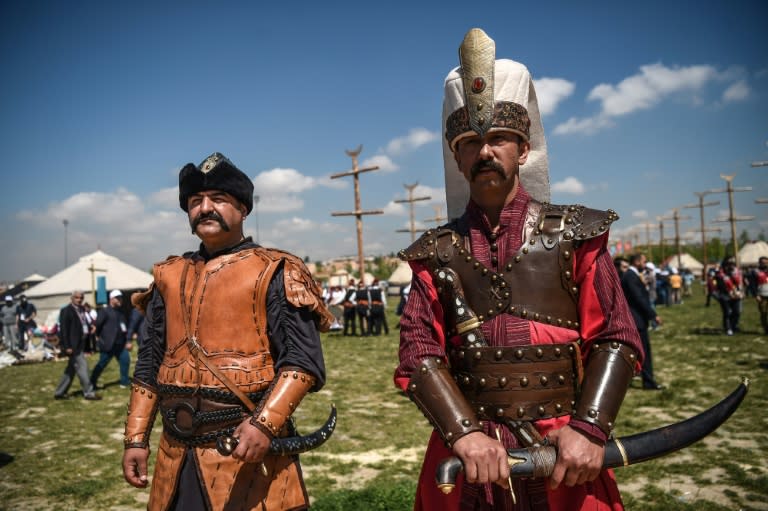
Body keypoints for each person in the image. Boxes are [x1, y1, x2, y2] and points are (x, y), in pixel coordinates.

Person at [395, 28, 644, 510]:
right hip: (467, 456)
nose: (485, 152)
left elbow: (616, 335)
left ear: (523, 150)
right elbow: (418, 352)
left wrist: (589, 428)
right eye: (471, 141)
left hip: (564, 451)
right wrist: (465, 435)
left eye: (499, 139)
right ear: (457, 156)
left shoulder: (576, 234)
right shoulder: (435, 252)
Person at [122, 152, 333, 510]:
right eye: (195, 202)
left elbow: (302, 363)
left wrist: (264, 425)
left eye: (218, 199)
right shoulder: (167, 276)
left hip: (246, 449)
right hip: (175, 453)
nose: (205, 208)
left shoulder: (277, 269)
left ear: (243, 209)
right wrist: (136, 438)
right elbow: (149, 365)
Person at [621, 253, 664, 390]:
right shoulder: (631, 276)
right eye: (643, 261)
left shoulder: (631, 275)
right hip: (637, 319)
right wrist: (653, 315)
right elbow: (639, 298)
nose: (645, 265)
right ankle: (649, 382)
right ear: (637, 262)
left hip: (636, 319)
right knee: (644, 352)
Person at [53, 290, 101, 400]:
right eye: (77, 297)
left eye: (81, 298)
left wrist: (90, 327)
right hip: (73, 346)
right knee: (83, 367)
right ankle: (89, 393)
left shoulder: (82, 309)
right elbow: (64, 330)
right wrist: (67, 346)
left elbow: (82, 323)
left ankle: (59, 392)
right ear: (72, 298)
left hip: (81, 343)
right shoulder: (66, 311)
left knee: (71, 370)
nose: (79, 300)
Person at [90, 289, 131, 389]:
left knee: (125, 360)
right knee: (102, 364)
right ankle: (91, 383)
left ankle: (124, 381)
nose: (120, 300)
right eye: (118, 298)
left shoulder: (121, 313)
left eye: (120, 298)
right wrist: (99, 338)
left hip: (120, 344)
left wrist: (127, 341)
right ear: (111, 299)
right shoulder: (104, 311)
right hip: (108, 344)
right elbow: (97, 326)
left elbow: (124, 327)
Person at [714, 255, 743, 335]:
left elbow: (740, 282)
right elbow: (718, 285)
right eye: (729, 263)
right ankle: (728, 328)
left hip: (737, 294)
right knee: (728, 312)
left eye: (733, 262)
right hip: (725, 295)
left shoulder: (737, 271)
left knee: (737, 312)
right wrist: (728, 293)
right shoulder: (720, 273)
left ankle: (734, 326)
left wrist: (740, 291)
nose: (731, 264)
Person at [755, 256, 768, 334]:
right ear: (759, 263)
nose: (764, 264)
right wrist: (756, 295)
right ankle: (766, 329)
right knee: (763, 313)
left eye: (766, 262)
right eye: (763, 262)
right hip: (762, 296)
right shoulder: (756, 272)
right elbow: (752, 285)